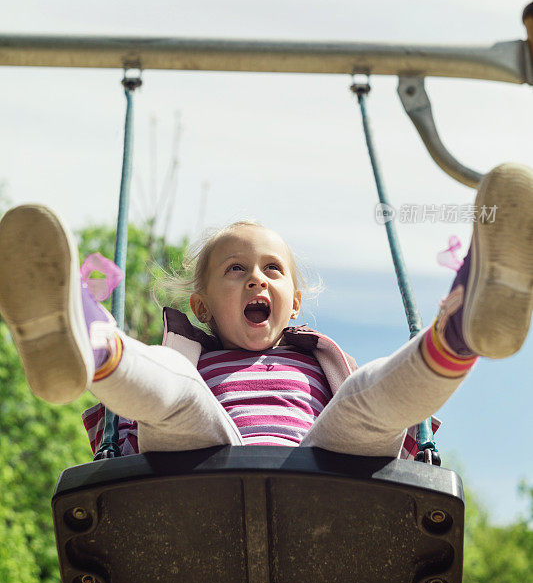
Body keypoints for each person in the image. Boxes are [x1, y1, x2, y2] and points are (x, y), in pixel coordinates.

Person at [0, 162, 532, 459]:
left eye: (273, 270)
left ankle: (460, 331)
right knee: (177, 390)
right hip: (201, 473)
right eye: (235, 269)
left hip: (323, 471)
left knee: (366, 400)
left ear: (294, 303)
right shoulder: (194, 366)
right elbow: (159, 409)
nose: (256, 276)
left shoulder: (317, 365)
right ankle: (90, 341)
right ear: (201, 306)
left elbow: (383, 426)